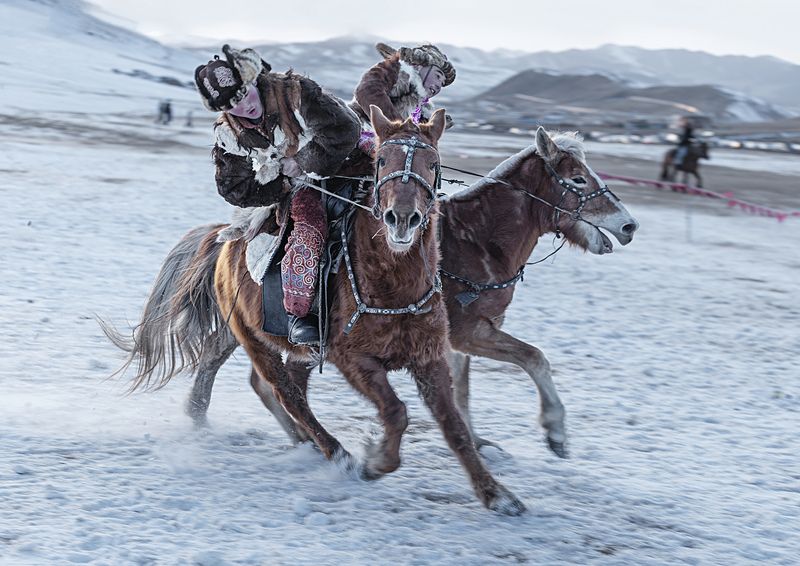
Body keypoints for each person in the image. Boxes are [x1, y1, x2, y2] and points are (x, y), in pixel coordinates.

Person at [195, 45, 360, 344]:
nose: (244, 106)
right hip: (299, 188)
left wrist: (303, 161)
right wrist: (282, 183)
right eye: (232, 105)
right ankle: (300, 314)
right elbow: (235, 188)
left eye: (244, 94)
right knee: (308, 227)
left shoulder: (295, 92)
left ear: (252, 80)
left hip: (349, 163)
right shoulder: (229, 133)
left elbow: (344, 129)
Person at [349, 43, 456, 156]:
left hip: (390, 142)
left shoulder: (420, 107)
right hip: (359, 130)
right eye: (437, 76)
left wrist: (432, 125)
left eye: (442, 83)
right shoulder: (395, 71)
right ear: (419, 66)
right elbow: (367, 91)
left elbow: (412, 129)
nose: (439, 85)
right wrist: (399, 127)